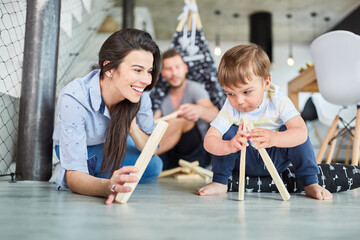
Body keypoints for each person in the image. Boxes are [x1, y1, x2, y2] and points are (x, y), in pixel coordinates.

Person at [196, 44, 333, 200]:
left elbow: (301, 133)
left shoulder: (277, 100)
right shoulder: (230, 108)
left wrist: (276, 139)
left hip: (275, 157)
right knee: (228, 132)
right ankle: (220, 182)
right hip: (245, 159)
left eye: (247, 91)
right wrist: (229, 145)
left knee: (295, 133)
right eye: (230, 93)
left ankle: (310, 183)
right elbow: (209, 141)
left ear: (266, 83)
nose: (239, 101)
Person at [52, 28, 162, 205]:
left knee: (154, 166)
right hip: (85, 145)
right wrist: (107, 186)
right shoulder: (73, 97)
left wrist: (132, 126)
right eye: (137, 70)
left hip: (112, 140)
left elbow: (152, 149)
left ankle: (92, 174)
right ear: (109, 68)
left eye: (149, 71)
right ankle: (79, 172)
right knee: (78, 174)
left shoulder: (140, 94)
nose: (147, 80)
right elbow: (74, 177)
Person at [153, 49, 219, 169]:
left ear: (185, 69)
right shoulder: (161, 96)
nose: (174, 73)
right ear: (163, 73)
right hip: (172, 155)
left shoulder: (195, 89)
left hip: (197, 154)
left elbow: (216, 115)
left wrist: (199, 110)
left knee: (183, 117)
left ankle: (146, 153)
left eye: (177, 67)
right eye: (169, 69)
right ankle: (147, 152)